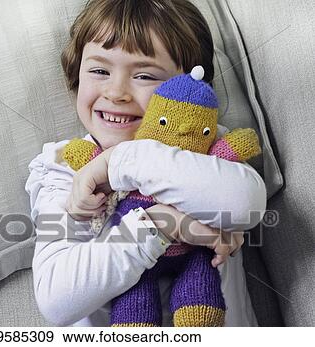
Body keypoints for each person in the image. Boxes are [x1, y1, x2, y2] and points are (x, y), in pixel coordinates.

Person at [25, 0, 266, 327]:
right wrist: (160, 223)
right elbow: (56, 298)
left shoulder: (207, 149)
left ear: (189, 87)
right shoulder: (65, 167)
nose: (116, 92)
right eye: (99, 70)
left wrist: (119, 162)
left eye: (144, 75)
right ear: (76, 74)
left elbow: (245, 204)